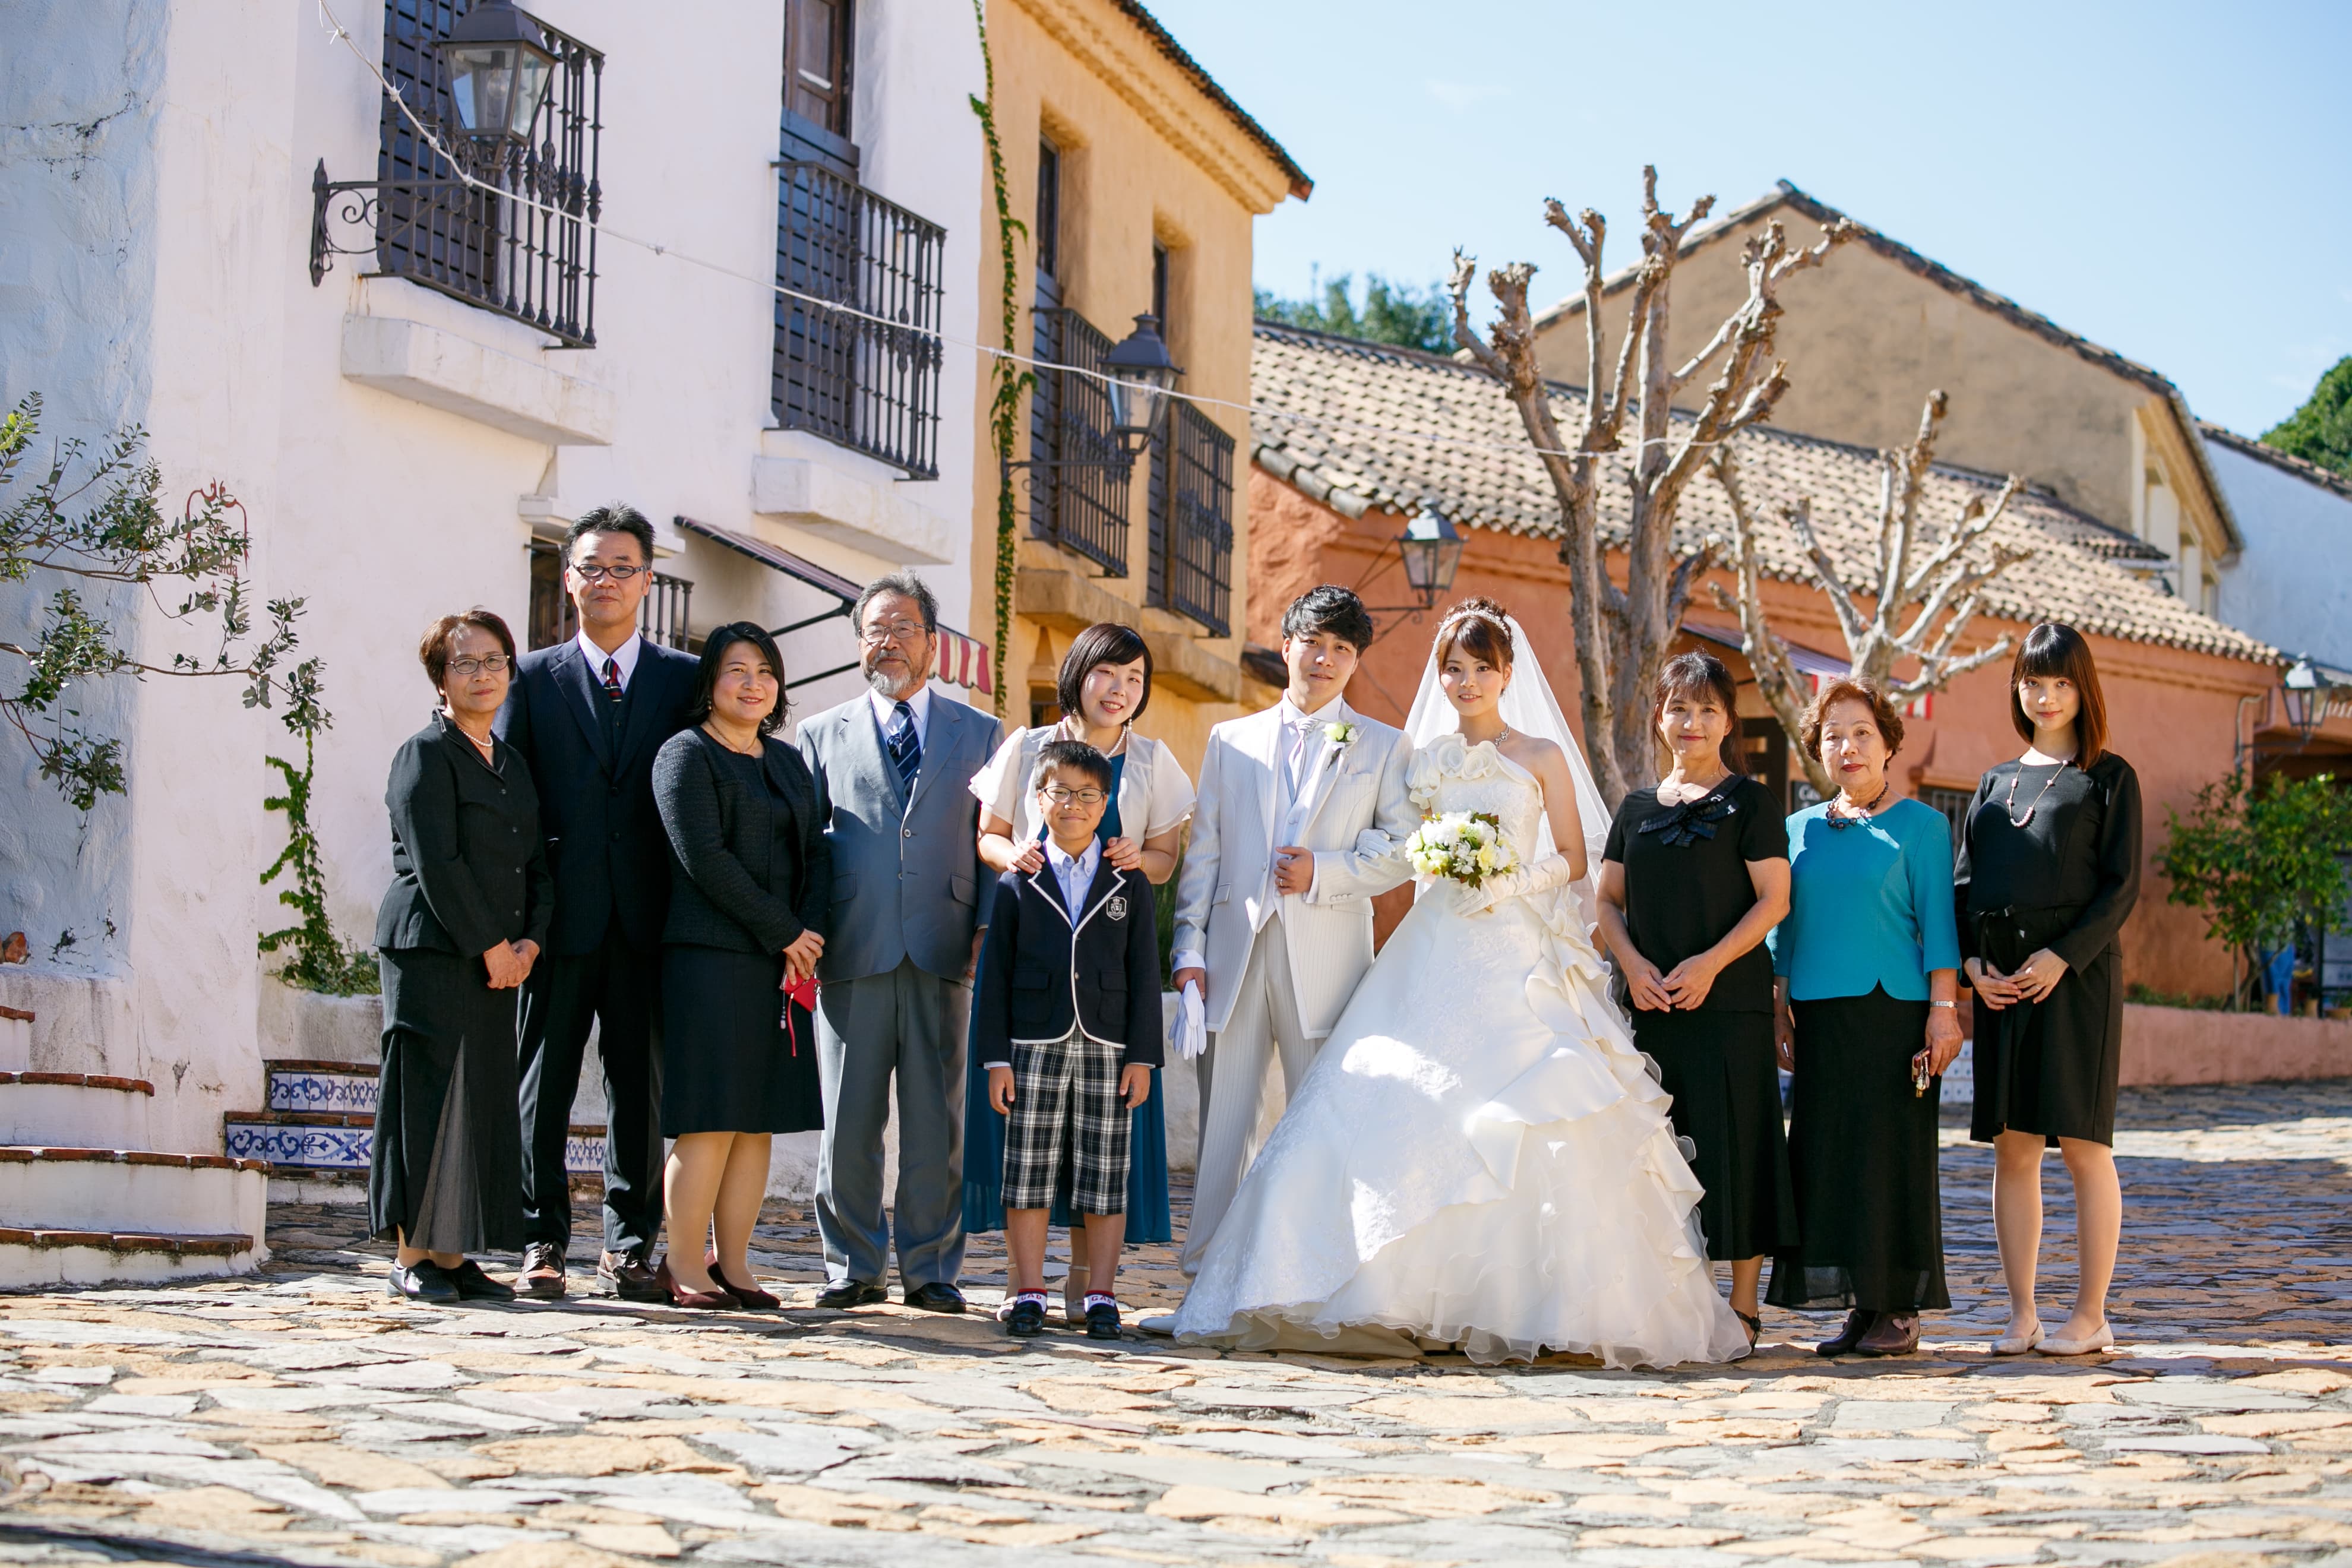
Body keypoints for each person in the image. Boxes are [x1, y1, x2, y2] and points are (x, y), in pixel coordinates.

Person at [1166, 599, 1750, 1367]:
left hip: (1517, 951)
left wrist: (1510, 881)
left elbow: (1574, 857)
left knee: (1528, 1107)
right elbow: (1400, 845)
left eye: (1481, 667)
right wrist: (1432, 859)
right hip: (1434, 940)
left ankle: (1521, 1305)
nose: (1466, 681)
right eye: (1453, 668)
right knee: (1387, 1097)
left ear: (1507, 673)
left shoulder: (1541, 755)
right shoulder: (1424, 758)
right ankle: (1365, 1289)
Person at [1166, 585, 1418, 1276]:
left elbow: (1404, 849)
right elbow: (1204, 855)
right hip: (1234, 955)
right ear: (1287, 647)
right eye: (1313, 643)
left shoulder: (1384, 746)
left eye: (1341, 648)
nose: (1325, 659)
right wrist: (1188, 950)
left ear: (1356, 661)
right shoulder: (1230, 740)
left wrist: (1325, 870)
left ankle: (1318, 1274)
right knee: (1223, 1128)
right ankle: (1207, 1277)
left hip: (1328, 959)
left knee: (1324, 1124)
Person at [497, 505, 699, 1301]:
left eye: (622, 567)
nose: (605, 580)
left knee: (639, 1092)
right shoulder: (529, 678)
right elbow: (510, 801)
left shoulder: (683, 681)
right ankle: (540, 1238)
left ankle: (628, 1244)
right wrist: (517, 917)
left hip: (649, 921)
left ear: (647, 580)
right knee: (540, 1086)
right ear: (568, 578)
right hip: (555, 920)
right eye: (591, 567)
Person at [965, 622, 1193, 1317]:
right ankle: (1023, 1281)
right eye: (1107, 674)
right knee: (1028, 1149)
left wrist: (1138, 859)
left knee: (1101, 1154)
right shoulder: (1027, 747)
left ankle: (1090, 1285)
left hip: (1106, 987)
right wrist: (1016, 859)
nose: (1120, 690)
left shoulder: (1153, 762)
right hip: (1032, 970)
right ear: (1078, 674)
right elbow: (988, 837)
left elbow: (1165, 860)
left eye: (1134, 679)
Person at [798, 571, 1004, 1313]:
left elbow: (993, 839)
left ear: (932, 643)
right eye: (875, 630)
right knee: (848, 1121)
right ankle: (851, 1265)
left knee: (935, 1122)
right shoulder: (820, 733)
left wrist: (986, 927)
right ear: (860, 642)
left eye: (903, 628)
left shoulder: (981, 734)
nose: (888, 642)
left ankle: (931, 1268)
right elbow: (805, 847)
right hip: (850, 947)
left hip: (946, 946)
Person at [1955, 622, 2141, 1358]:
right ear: (2018, 689)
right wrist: (1973, 968)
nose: (2047, 695)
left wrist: (2063, 957)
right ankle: (2023, 1314)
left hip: (2077, 980)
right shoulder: (1993, 782)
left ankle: (2091, 1315)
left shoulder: (2110, 777)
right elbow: (1965, 887)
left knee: (2085, 1147)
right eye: (2034, 681)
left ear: (2082, 689)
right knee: (2015, 1147)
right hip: (2001, 984)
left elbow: (2121, 888)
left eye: (2061, 682)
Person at [1596, 652, 1793, 1347]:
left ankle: (1741, 1307)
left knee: (1737, 1149)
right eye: (1679, 708)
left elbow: (1774, 900)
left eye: (1708, 710)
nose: (1693, 722)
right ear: (1659, 717)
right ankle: (1684, 1302)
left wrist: (1710, 964)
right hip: (1650, 1012)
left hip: (1729, 1007)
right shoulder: (1635, 808)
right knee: (1663, 1157)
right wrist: (1632, 965)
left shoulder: (1752, 803)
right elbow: (1607, 902)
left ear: (1728, 722)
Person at [1766, 678, 1964, 1358]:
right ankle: (1860, 1305)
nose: (1847, 747)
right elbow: (1785, 929)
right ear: (1817, 749)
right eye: (1833, 736)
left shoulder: (1923, 827)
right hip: (1819, 1019)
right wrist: (1778, 1007)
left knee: (1891, 1158)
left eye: (1861, 734)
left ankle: (1898, 1309)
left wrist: (1945, 1012)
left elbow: (1940, 926)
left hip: (1895, 1015)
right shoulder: (1798, 830)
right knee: (1831, 1161)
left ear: (1887, 745)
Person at [649, 624, 831, 1310]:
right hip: (708, 958)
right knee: (711, 1115)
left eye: (766, 671)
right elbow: (704, 859)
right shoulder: (685, 755)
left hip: (780, 963)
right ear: (710, 682)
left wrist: (807, 938)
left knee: (757, 1119)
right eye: (737, 670)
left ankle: (736, 1265)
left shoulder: (786, 762)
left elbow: (818, 853)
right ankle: (682, 1265)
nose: (753, 683)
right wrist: (787, 932)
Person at [371, 610, 551, 1303]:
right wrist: (491, 947)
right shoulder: (423, 755)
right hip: (432, 951)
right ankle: (411, 1256)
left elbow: (536, 863)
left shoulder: (510, 764)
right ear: (440, 678)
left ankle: (451, 1255)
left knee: (478, 1096)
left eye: (494, 660)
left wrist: (531, 941)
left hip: (501, 958)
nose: (483, 674)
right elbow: (437, 864)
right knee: (427, 1093)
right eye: (465, 662)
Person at [975, 740, 1165, 1341]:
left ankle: (1101, 1293)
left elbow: (1144, 973)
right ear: (1040, 799)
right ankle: (1029, 1290)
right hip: (1033, 1042)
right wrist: (996, 1060)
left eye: (1088, 795)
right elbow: (994, 977)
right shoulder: (1019, 879)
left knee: (1104, 1174)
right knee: (1027, 1170)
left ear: (1106, 804)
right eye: (1061, 792)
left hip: (1109, 1047)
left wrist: (1142, 1057)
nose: (1074, 805)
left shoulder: (1129, 882)